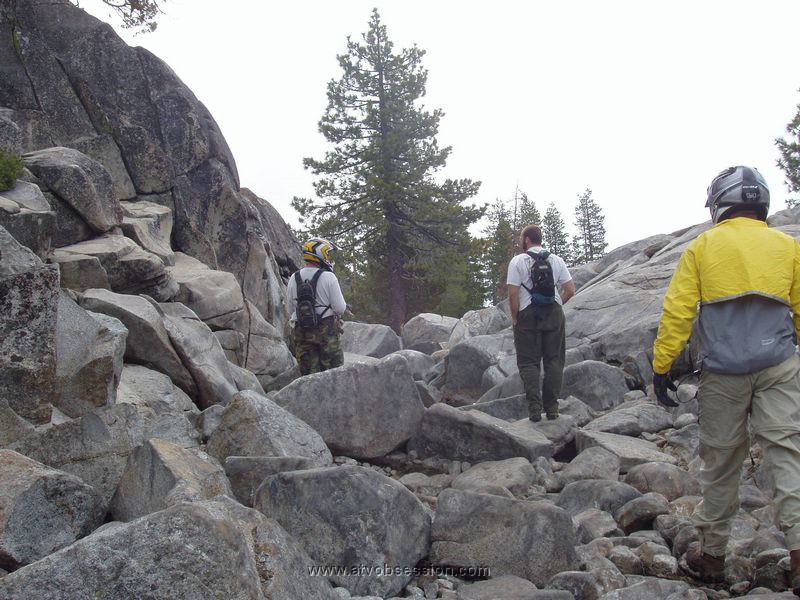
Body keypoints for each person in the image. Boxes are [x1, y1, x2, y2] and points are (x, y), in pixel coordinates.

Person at [652, 166, 800, 593]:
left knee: (720, 463)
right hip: (779, 367)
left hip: (723, 375)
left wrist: (662, 366)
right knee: (787, 453)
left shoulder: (702, 247)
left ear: (721, 202)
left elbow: (678, 312)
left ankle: (712, 558)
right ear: (760, 203)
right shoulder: (788, 247)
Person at [507, 224, 576, 422]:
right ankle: (552, 409)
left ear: (527, 239)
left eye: (522, 238)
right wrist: (557, 303)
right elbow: (570, 289)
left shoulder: (518, 261)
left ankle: (535, 410)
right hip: (554, 312)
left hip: (527, 314)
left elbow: (513, 294)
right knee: (554, 360)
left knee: (529, 362)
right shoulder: (556, 260)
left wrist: (515, 317)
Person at [286, 237, 347, 375]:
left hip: (302, 334)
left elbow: (290, 310)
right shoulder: (329, 277)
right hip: (327, 336)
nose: (329, 258)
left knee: (308, 378)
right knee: (334, 376)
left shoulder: (293, 278)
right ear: (320, 254)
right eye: (328, 254)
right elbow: (340, 308)